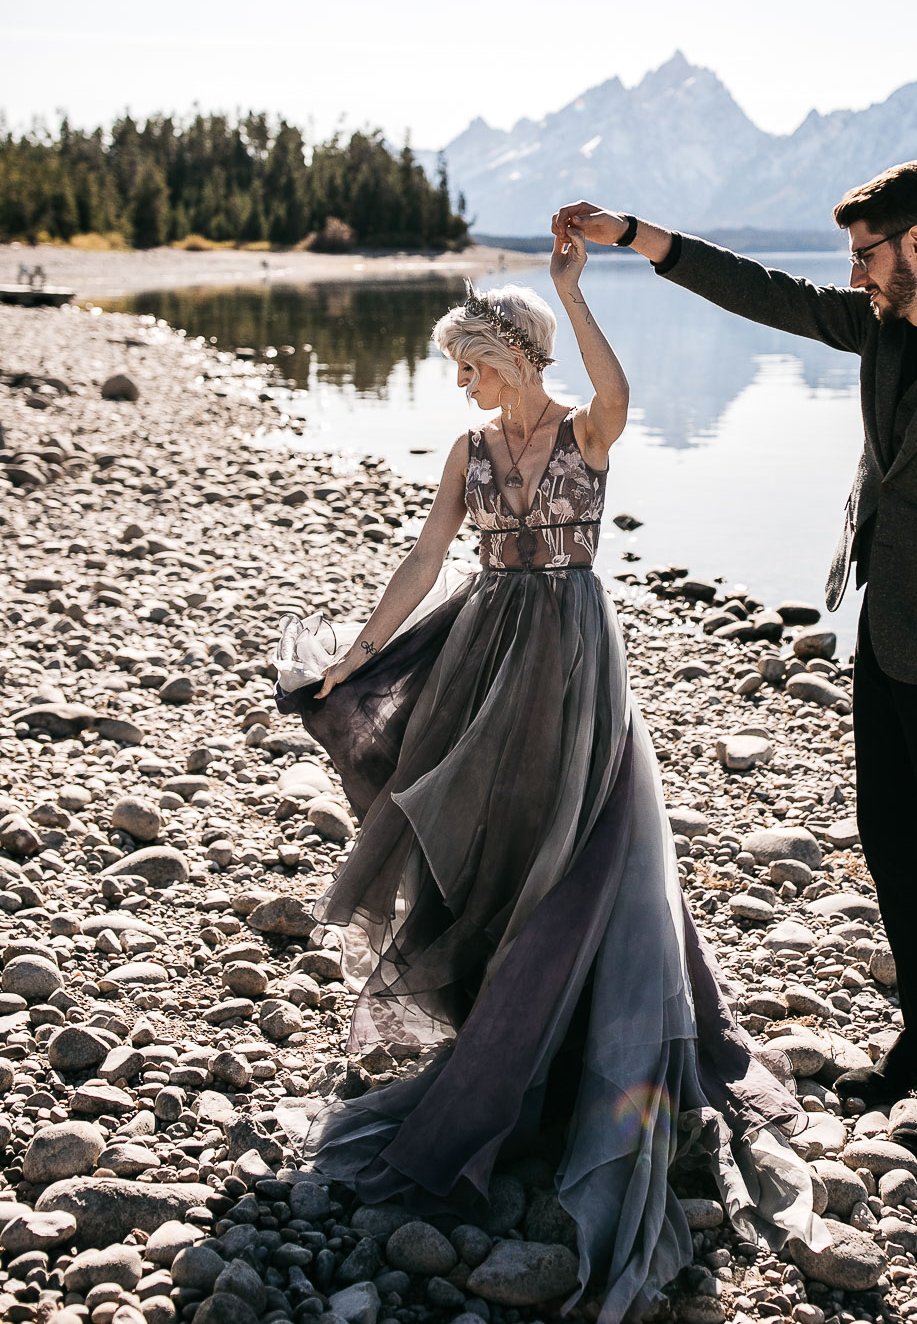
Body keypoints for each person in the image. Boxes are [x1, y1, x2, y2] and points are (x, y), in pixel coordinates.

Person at [274, 232, 831, 1324]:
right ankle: (507, 1013)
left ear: (517, 356)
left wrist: (572, 292)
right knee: (493, 834)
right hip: (487, 644)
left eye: (474, 365)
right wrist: (356, 653)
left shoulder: (587, 430)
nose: (465, 384)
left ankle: (578, 1041)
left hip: (576, 652)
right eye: (461, 371)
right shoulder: (468, 449)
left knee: (583, 845)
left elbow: (618, 383)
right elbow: (428, 558)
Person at [552, 164, 917, 1166]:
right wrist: (634, 234)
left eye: (866, 253)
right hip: (888, 636)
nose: (854, 273)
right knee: (888, 839)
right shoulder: (880, 325)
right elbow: (765, 293)